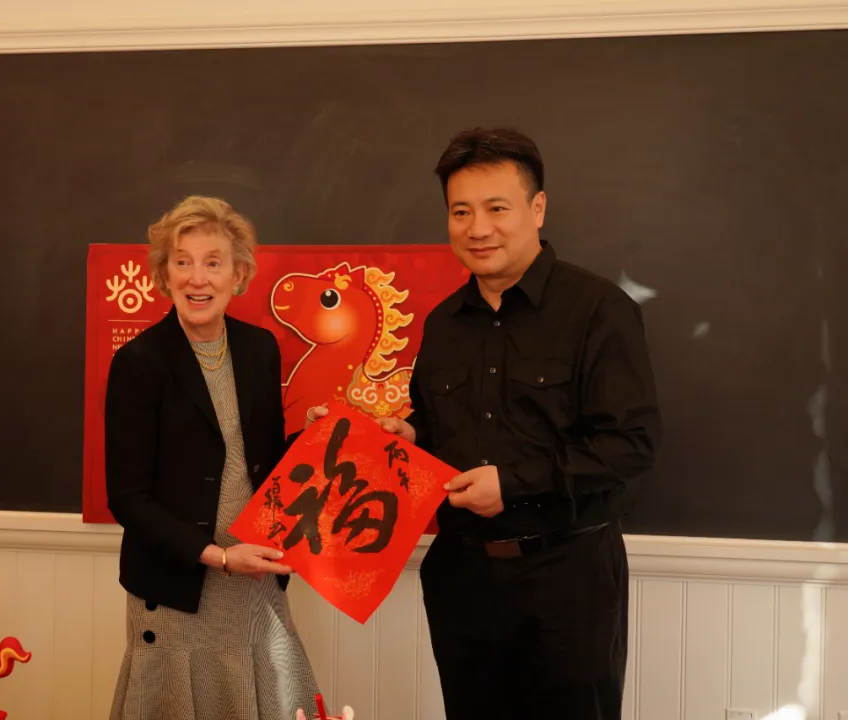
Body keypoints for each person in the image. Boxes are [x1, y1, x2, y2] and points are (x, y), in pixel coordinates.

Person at [312, 127, 661, 718]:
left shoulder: (599, 310)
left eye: (497, 208)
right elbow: (434, 426)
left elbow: (632, 444)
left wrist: (514, 483)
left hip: (568, 578)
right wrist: (405, 438)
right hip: (462, 578)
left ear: (537, 208)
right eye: (461, 211)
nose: (478, 228)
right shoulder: (444, 322)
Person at [105, 195, 320, 720]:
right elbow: (128, 499)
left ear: (238, 275)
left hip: (255, 581)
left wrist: (315, 440)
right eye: (182, 262)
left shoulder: (260, 349)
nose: (197, 278)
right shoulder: (138, 362)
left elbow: (264, 464)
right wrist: (219, 557)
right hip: (178, 587)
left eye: (213, 262)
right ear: (164, 275)